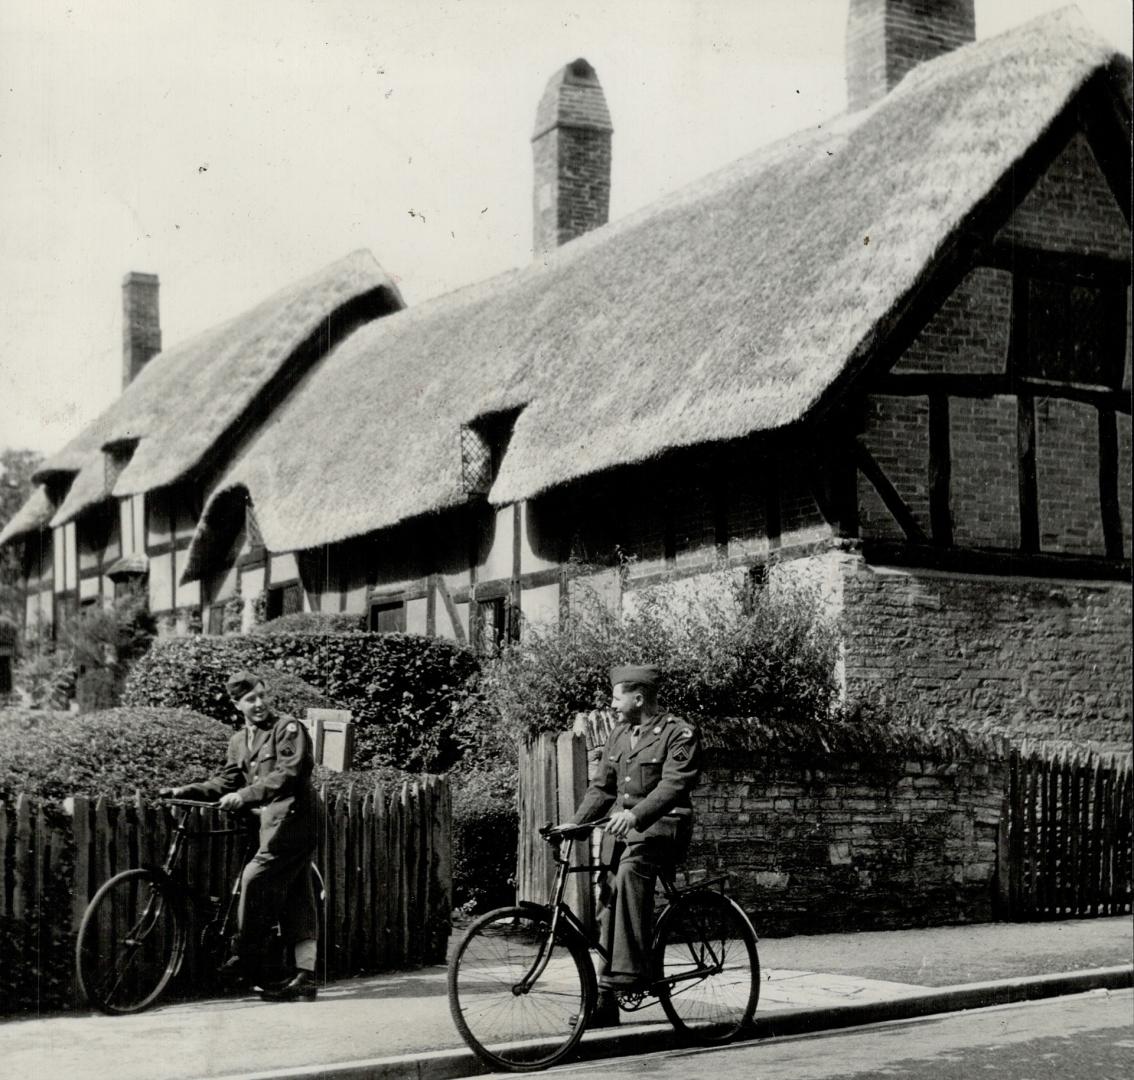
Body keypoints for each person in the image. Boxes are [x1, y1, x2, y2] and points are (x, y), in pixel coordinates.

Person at [160, 670, 320, 1002]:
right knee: (296, 895)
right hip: (269, 825)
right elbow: (226, 781)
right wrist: (184, 789)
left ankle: (247, 958)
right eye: (250, 700)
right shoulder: (237, 741)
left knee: (254, 878)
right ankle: (305, 976)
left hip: (295, 819)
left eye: (262, 695)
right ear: (237, 705)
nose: (259, 704)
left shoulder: (287, 728)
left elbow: (289, 773)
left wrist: (246, 796)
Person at [567, 664, 702, 1024]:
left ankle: (628, 976)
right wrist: (576, 825)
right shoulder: (620, 734)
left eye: (616, 697)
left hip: (664, 826)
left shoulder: (679, 733)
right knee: (607, 898)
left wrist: (636, 815)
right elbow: (603, 787)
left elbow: (674, 786)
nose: (611, 705)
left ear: (638, 698)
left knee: (628, 873)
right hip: (627, 832)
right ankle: (606, 1002)